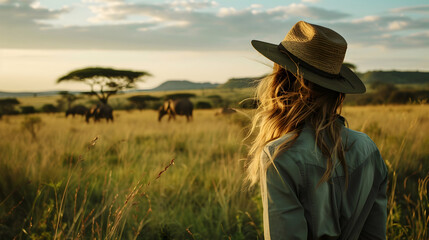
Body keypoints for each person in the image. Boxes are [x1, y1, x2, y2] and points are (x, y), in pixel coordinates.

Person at [247, 21, 388, 239]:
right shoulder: (368, 148)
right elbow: (375, 234)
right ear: (337, 92)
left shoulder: (279, 156)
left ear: (282, 83)